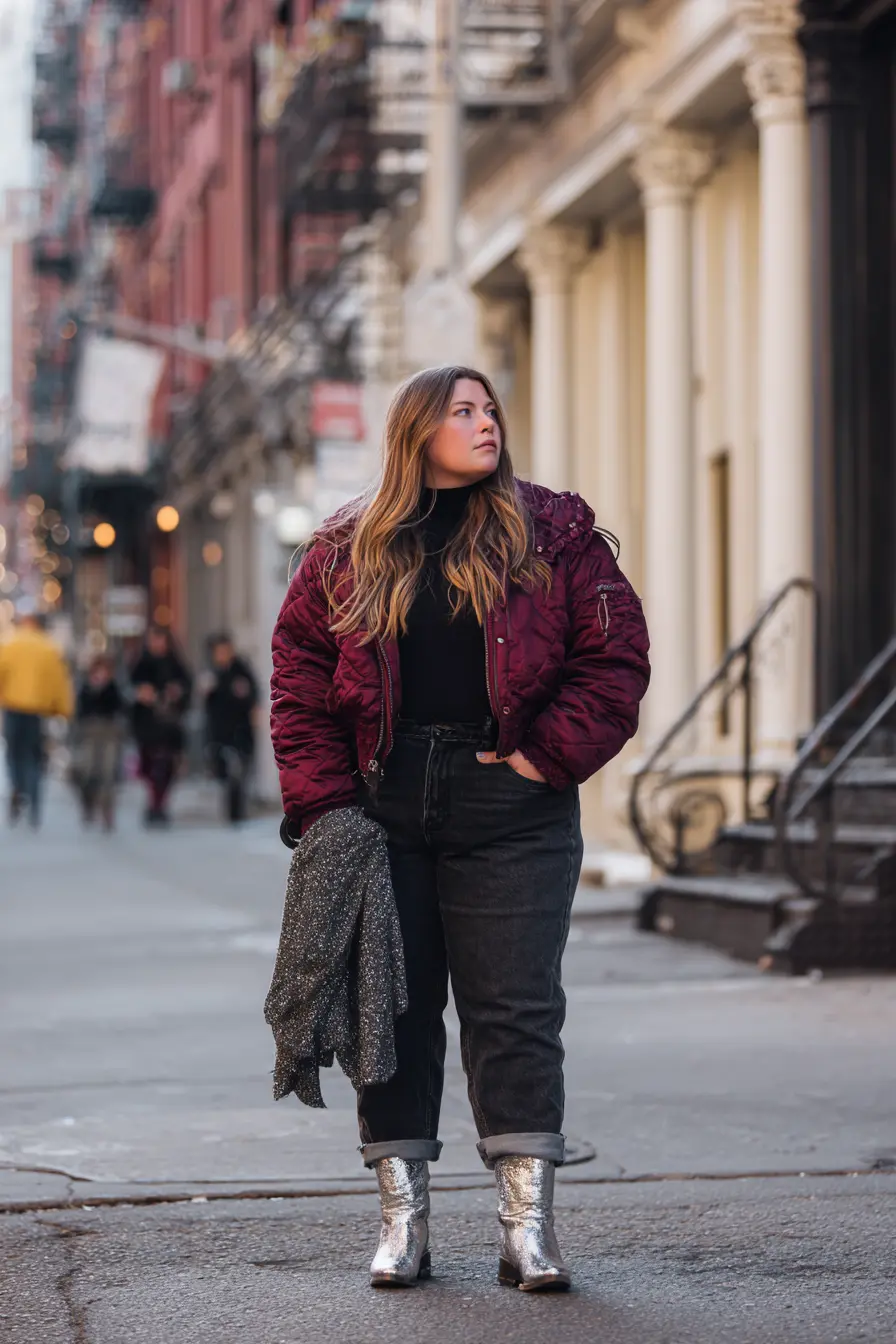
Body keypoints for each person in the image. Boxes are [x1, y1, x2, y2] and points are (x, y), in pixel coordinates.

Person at [270, 365, 650, 1291]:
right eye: (462, 411)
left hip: (512, 805)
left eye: (490, 410)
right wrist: (329, 807)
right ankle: (403, 1222)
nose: (486, 423)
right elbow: (300, 681)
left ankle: (527, 1228)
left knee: (515, 1009)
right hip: (384, 806)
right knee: (393, 1012)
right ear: (415, 432)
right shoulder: (345, 549)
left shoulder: (552, 532)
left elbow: (614, 658)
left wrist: (543, 758)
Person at [0, 607, 74, 829]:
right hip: (39, 712)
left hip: (13, 707)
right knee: (34, 757)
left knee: (14, 754)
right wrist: (63, 710)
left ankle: (18, 787)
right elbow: (61, 682)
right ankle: (32, 799)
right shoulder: (49, 648)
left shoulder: (10, 645)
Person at [130, 625, 192, 827]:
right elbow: (128, 689)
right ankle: (154, 804)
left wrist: (177, 693)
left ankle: (159, 805)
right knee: (150, 767)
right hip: (146, 726)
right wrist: (140, 694)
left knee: (165, 767)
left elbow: (187, 687)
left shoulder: (175, 664)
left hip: (168, 726)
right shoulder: (140, 664)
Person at [203, 634, 259, 824]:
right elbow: (207, 702)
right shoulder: (212, 673)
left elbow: (253, 694)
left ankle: (237, 812)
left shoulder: (241, 670)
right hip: (220, 731)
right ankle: (232, 810)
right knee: (226, 773)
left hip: (240, 730)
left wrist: (248, 698)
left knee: (239, 772)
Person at [73, 655, 126, 831]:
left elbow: (119, 708)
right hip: (90, 734)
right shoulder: (85, 688)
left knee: (108, 772)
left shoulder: (114, 688)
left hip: (110, 734)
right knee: (89, 771)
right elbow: (80, 711)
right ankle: (88, 803)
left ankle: (107, 810)